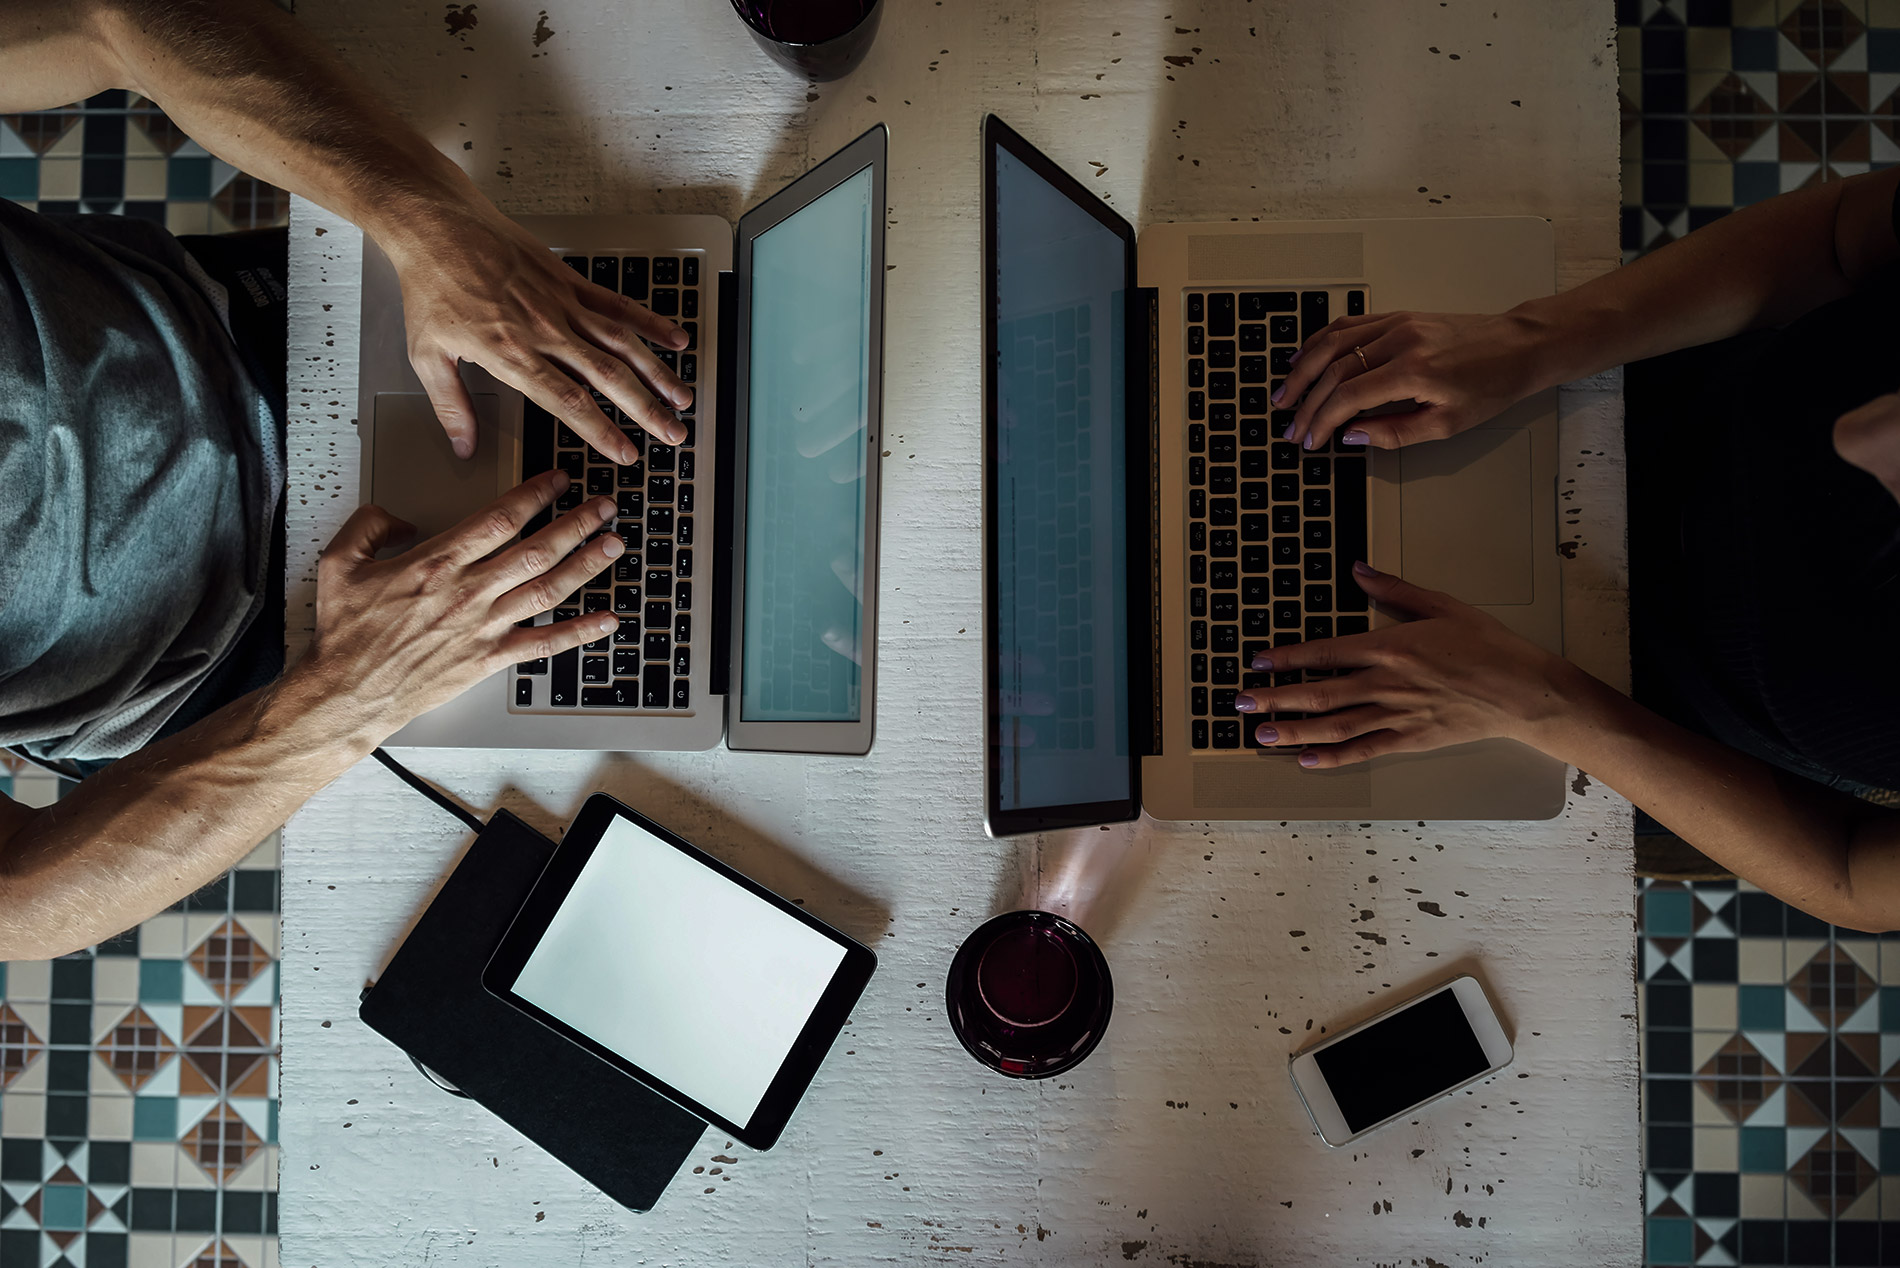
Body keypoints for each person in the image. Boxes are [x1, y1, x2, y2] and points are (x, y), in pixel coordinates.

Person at [0, 0, 692, 959]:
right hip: (245, 688)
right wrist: (351, 693)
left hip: (264, 327)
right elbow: (12, 906)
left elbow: (107, 20)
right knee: (678, 689)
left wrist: (424, 218)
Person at [1234, 167, 1900, 931]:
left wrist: (1540, 704)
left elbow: (1850, 874)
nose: (1857, 437)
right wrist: (1530, 341)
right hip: (1634, 389)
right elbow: (1841, 235)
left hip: (1650, 724)